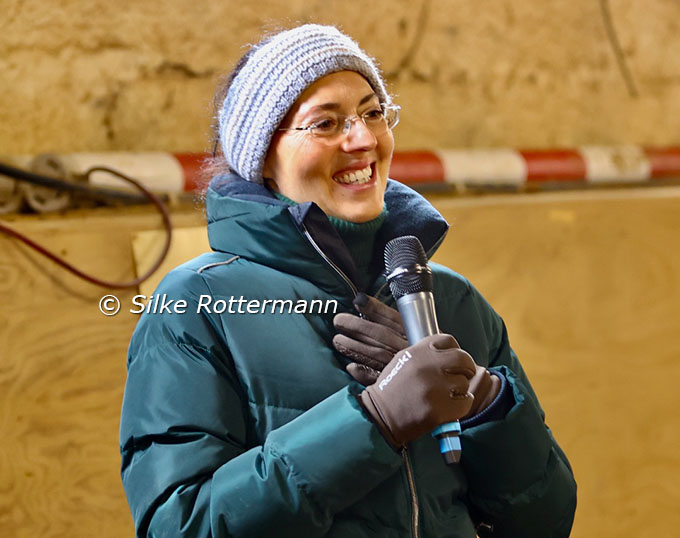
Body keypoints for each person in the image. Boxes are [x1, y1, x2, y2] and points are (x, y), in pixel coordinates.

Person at [119, 24, 576, 538]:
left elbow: (546, 521)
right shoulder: (197, 305)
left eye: (373, 113)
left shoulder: (452, 299)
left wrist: (485, 403)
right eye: (326, 123)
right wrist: (374, 420)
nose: (363, 139)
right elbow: (179, 526)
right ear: (263, 156)